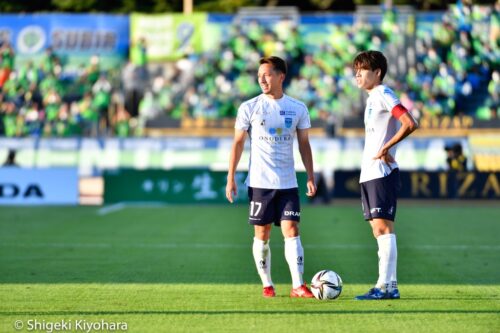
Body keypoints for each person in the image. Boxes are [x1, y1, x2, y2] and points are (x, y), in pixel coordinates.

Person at [226, 56, 317, 298]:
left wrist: (310, 175)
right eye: (259, 76)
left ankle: (298, 285)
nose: (262, 80)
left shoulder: (298, 108)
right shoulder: (249, 107)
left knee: (292, 230)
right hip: (259, 182)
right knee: (262, 235)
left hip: (288, 182)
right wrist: (231, 177)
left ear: (281, 76)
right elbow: (237, 143)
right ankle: (267, 283)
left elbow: (304, 145)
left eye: (266, 75)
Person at [352, 50, 418, 300]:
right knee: (378, 230)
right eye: (355, 69)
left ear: (377, 72)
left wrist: (388, 147)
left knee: (383, 228)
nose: (357, 74)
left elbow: (409, 122)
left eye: (362, 69)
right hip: (370, 172)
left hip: (381, 171)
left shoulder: (383, 93)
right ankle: (386, 285)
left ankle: (386, 287)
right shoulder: (372, 98)